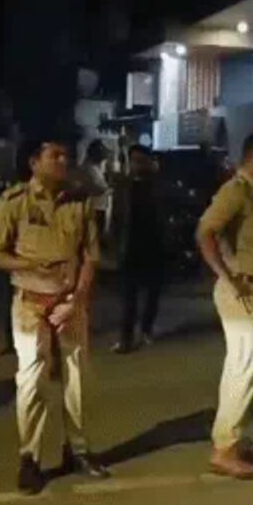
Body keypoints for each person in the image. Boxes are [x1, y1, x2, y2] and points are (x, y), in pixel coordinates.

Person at [0, 137, 110, 495]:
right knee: (32, 381)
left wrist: (77, 301)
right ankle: (30, 458)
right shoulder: (14, 202)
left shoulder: (80, 202)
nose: (63, 161)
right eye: (55, 155)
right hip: (30, 303)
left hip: (70, 301)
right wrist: (30, 265)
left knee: (77, 378)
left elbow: (90, 257)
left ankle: (79, 450)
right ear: (34, 162)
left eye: (65, 155)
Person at [196, 130, 253, 480]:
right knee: (243, 370)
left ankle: (233, 439)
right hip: (241, 292)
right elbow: (205, 231)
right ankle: (224, 450)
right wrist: (228, 277)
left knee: (243, 369)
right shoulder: (235, 191)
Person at [110, 144, 167, 354]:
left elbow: (166, 215)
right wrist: (114, 243)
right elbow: (116, 217)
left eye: (142, 160)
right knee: (129, 296)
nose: (137, 165)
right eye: (134, 160)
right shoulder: (124, 186)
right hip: (130, 247)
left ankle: (146, 329)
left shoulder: (159, 185)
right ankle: (126, 339)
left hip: (155, 247)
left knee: (153, 293)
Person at [79, 139, 111, 241]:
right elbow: (94, 189)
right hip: (93, 209)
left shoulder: (96, 168)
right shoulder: (87, 168)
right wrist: (107, 189)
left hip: (99, 207)